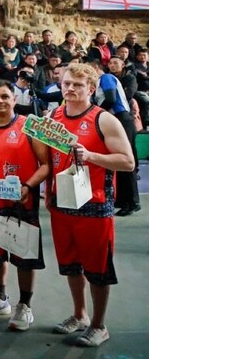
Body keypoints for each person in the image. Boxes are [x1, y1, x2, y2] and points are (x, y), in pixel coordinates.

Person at [47, 63, 135, 347]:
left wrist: (92, 156)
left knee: (98, 268)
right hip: (61, 203)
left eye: (77, 85)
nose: (70, 88)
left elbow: (128, 162)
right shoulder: (53, 116)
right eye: (67, 83)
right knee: (70, 265)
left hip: (94, 204)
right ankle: (79, 315)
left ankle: (99, 325)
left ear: (92, 89)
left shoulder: (105, 120)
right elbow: (48, 159)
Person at [0, 80, 50, 330]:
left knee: (23, 255)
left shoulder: (29, 126)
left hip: (20, 203)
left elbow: (46, 164)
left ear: (14, 99)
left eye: (5, 96)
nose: (0, 101)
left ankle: (24, 305)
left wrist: (27, 186)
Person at [101, 58, 140, 216]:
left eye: (116, 63)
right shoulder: (106, 79)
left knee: (127, 160)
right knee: (118, 161)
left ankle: (133, 202)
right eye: (110, 63)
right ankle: (122, 199)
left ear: (123, 64)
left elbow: (119, 97)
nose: (112, 65)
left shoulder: (112, 78)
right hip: (115, 119)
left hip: (123, 118)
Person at [132, 48, 149, 131]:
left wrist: (145, 76)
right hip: (140, 91)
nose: (142, 57)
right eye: (140, 55)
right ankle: (147, 123)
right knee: (146, 101)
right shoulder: (134, 66)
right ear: (137, 56)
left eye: (144, 55)